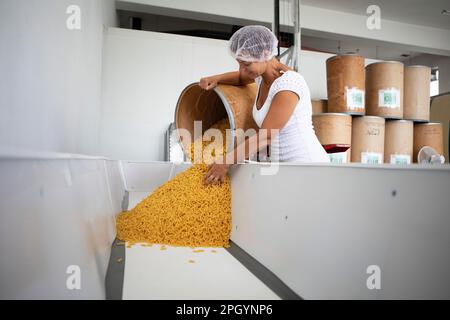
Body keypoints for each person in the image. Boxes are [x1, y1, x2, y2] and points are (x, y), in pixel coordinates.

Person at [200, 25, 329, 185]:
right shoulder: (261, 77)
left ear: (266, 54)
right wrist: (216, 78)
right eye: (239, 63)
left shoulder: (289, 84)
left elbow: (266, 136)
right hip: (282, 169)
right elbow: (240, 78)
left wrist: (225, 162)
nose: (242, 69)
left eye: (246, 64)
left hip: (307, 166)